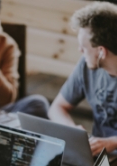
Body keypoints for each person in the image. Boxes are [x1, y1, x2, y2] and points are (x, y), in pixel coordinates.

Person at [48, 2, 117, 156]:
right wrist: (72, 130)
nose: (80, 51)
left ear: (101, 52)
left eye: (84, 48)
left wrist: (112, 143)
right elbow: (57, 108)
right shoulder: (86, 66)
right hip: (98, 156)